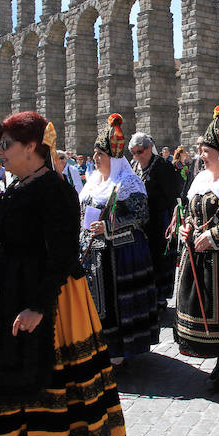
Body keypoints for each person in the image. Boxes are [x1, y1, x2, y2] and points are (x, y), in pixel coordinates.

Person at [0, 111, 125, 436]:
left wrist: (38, 304)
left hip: (49, 295)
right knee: (4, 368)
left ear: (31, 146)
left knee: (52, 375)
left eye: (6, 145)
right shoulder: (17, 185)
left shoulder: (54, 189)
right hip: (9, 292)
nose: (0, 151)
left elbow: (62, 252)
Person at [174, 106, 219, 391]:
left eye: (205, 151)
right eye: (201, 151)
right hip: (198, 257)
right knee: (201, 308)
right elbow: (192, 213)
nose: (200, 156)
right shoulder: (201, 181)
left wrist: (216, 236)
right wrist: (187, 228)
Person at [80, 113, 158, 365]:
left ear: (112, 158)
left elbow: (141, 215)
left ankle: (118, 351)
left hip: (121, 252)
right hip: (93, 251)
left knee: (115, 302)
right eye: (94, 154)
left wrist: (108, 226)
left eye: (99, 155)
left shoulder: (128, 182)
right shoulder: (93, 181)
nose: (95, 159)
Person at [129, 132, 183, 308]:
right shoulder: (135, 165)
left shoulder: (161, 165)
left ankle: (160, 295)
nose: (137, 156)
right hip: (142, 221)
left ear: (149, 148)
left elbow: (171, 194)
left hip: (160, 219)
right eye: (134, 152)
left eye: (139, 152)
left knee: (160, 257)